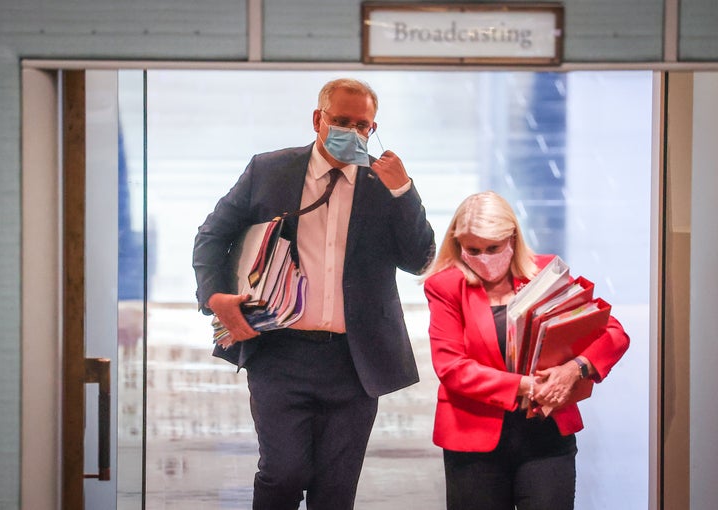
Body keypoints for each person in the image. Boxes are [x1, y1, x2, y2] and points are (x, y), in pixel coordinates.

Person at [192, 78, 435, 510]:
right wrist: (214, 297)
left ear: (373, 128)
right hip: (280, 352)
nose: (351, 133)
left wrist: (404, 190)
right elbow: (212, 236)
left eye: (362, 126)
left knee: (336, 490)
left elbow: (420, 258)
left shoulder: (385, 184)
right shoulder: (269, 170)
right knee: (282, 474)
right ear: (317, 119)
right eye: (340, 121)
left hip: (355, 360)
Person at [422, 191, 629, 510]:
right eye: (472, 249)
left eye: (493, 248)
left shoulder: (547, 275)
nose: (484, 258)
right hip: (473, 441)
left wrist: (574, 369)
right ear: (458, 244)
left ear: (513, 239)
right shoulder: (446, 286)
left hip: (546, 436)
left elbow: (612, 333)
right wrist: (525, 386)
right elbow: (452, 367)